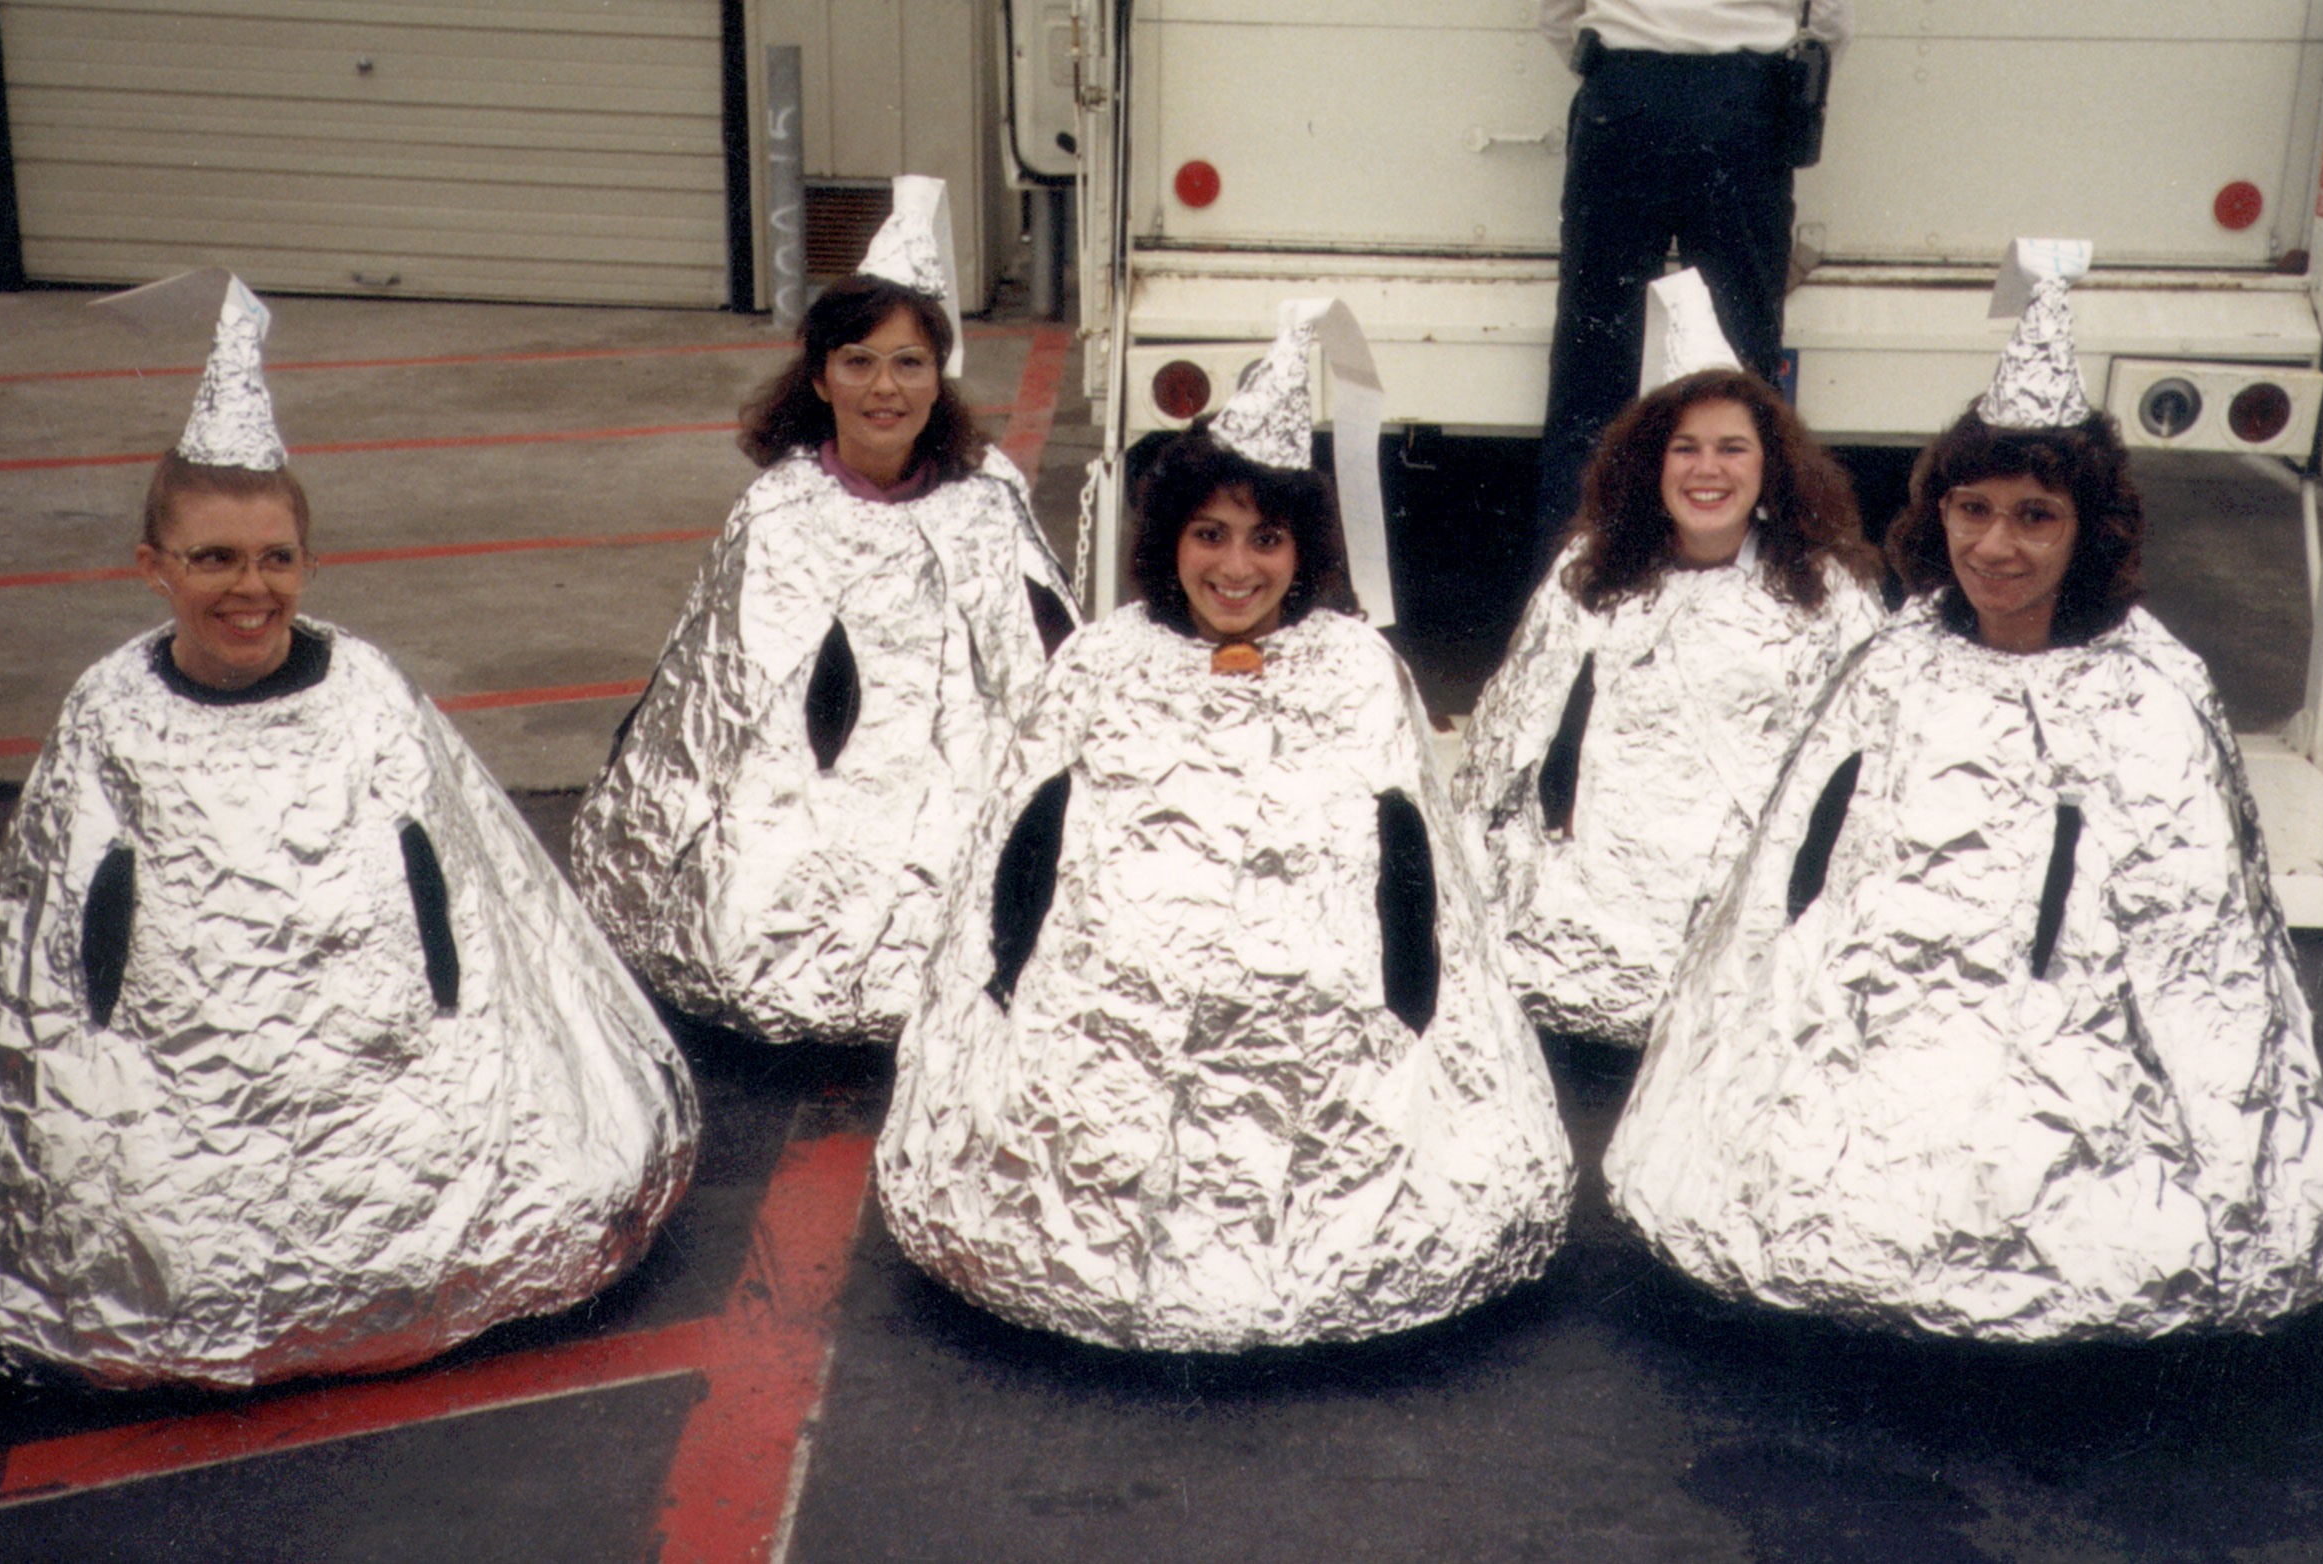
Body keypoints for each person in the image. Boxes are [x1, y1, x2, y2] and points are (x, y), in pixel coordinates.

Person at [0, 276, 701, 1390]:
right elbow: (53, 957)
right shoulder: (109, 714)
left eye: (275, 559)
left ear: (305, 561)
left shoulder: (369, 696)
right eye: (215, 559)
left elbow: (466, 906)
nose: (250, 589)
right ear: (154, 567)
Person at [1601, 247, 2323, 1341]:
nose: (1994, 545)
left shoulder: (2150, 692)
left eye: (2033, 515)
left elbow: (2193, 945)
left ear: (2087, 530)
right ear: (1934, 516)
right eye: (1970, 510)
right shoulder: (1894, 661)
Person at [875, 316, 1572, 1352]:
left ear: (1301, 550)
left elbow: (1412, 878)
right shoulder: (1102, 660)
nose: (1235, 566)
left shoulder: (1352, 669)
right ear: (1169, 542)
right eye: (1209, 534)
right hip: (1101, 1051)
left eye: (1263, 538)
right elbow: (1018, 856)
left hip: (1330, 1063)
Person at [570, 177, 1078, 1045]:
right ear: (821, 376)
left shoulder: (988, 500)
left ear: (938, 378)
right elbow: (715, 705)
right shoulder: (776, 514)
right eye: (860, 361)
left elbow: (1043, 667)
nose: (885, 388)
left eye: (909, 363)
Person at [1459, 280, 1881, 1047]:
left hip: (1745, 925)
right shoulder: (1591, 572)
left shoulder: (1828, 593)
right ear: (1651, 464)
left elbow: (1866, 771)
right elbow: (1505, 751)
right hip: (1597, 920)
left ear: (1770, 467)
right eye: (1684, 447)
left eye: (1731, 447)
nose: (1705, 469)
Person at [1532, 0, 1853, 555]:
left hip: (1624, 95)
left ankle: (1573, 578)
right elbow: (1828, 19)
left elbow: (1558, 13)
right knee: (1740, 357)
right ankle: (1744, 574)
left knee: (1593, 360)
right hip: (1745, 99)